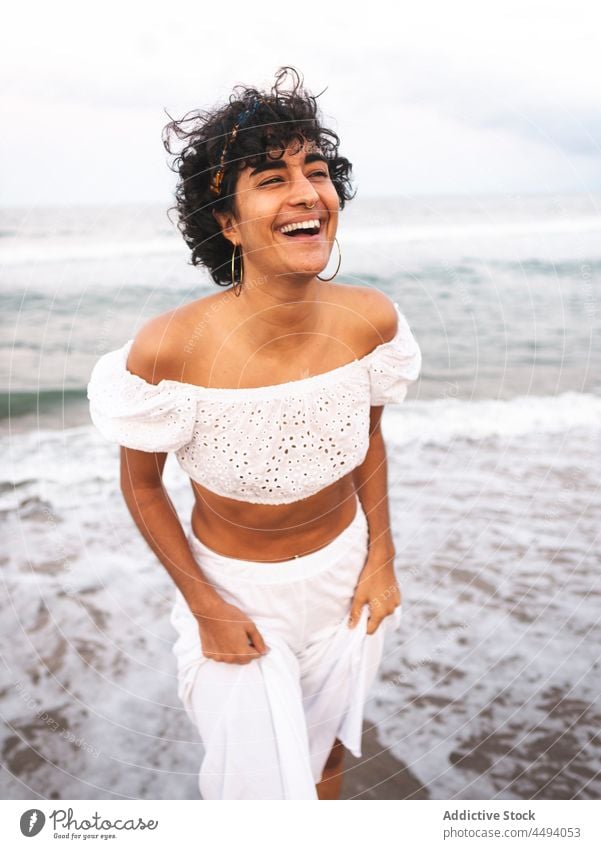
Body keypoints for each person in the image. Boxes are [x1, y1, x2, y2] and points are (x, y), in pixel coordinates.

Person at [87, 66, 422, 800]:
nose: (307, 192)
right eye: (271, 177)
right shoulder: (166, 350)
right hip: (237, 593)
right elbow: (140, 486)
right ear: (228, 222)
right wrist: (206, 604)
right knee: (258, 797)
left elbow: (366, 442)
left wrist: (382, 560)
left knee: (327, 760)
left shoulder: (371, 322)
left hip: (344, 585)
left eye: (317, 170)